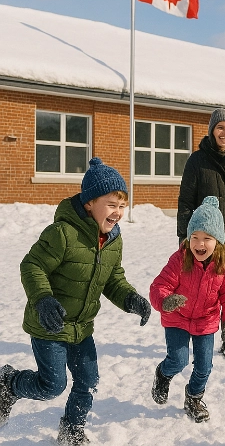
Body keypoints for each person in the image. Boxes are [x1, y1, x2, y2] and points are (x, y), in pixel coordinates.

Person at [0, 157, 151, 445]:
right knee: (52, 385)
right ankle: (8, 383)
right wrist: (43, 298)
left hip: (81, 327)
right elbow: (32, 266)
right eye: (111, 204)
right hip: (49, 325)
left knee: (88, 382)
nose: (118, 212)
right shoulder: (62, 233)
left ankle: (71, 430)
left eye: (122, 206)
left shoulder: (113, 241)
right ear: (89, 204)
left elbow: (112, 278)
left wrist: (130, 298)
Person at [150, 196, 225, 423]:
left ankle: (193, 397)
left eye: (207, 238)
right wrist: (165, 301)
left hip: (205, 320)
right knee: (178, 360)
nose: (200, 244)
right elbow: (159, 285)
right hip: (177, 318)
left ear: (218, 241)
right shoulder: (180, 259)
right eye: (195, 238)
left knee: (204, 366)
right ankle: (163, 374)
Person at [177, 107, 225, 360]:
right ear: (212, 130)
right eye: (221, 127)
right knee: (198, 290)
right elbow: (186, 201)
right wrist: (184, 236)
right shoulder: (197, 161)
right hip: (201, 241)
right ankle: (193, 335)